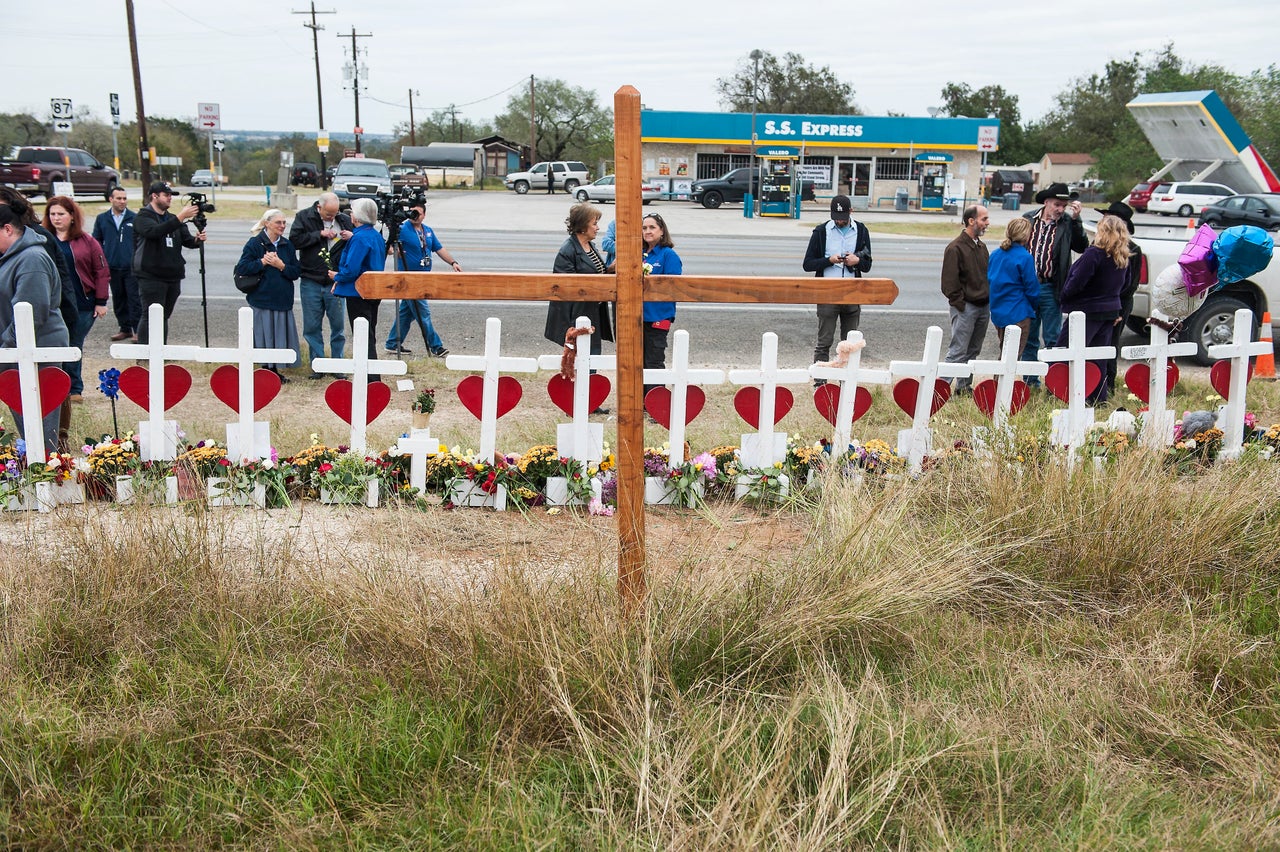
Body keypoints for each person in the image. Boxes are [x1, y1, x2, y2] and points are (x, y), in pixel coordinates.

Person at [0, 204, 70, 453]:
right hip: (15, 352)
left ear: (7, 229)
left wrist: (3, 348)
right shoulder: (12, 257)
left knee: (41, 429)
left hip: (38, 351)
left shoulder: (32, 259)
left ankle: (49, 476)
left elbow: (30, 314)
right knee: (29, 426)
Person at [1056, 214, 1131, 405]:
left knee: (1065, 352)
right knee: (1098, 357)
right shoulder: (1122, 257)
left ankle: (1061, 391)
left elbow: (1077, 282)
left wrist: (1064, 296)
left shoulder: (1093, 254)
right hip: (1109, 310)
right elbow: (1126, 285)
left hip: (1086, 310)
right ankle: (1098, 397)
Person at [546, 202, 614, 413]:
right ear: (583, 226)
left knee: (592, 356)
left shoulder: (589, 246)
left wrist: (612, 269)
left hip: (593, 313)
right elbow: (567, 285)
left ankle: (590, 402)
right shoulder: (568, 250)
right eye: (595, 223)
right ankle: (577, 402)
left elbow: (598, 274)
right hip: (577, 316)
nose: (597, 227)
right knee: (579, 357)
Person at [43, 196, 109, 404]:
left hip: (82, 303)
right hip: (55, 303)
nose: (56, 218)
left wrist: (101, 301)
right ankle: (54, 387)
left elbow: (101, 271)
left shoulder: (87, 241)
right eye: (52, 214)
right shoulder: (44, 240)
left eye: (61, 214)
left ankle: (74, 389)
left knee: (74, 344)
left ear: (72, 216)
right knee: (54, 346)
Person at [802, 195, 872, 385]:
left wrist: (857, 261)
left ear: (851, 212)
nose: (839, 221)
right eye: (836, 217)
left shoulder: (862, 230)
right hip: (827, 291)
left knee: (850, 342)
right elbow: (807, 264)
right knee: (824, 341)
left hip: (852, 291)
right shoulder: (821, 231)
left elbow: (867, 264)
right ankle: (820, 383)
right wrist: (828, 261)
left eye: (842, 217)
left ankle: (846, 382)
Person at [1021, 182, 1088, 378]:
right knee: (1029, 336)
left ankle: (1054, 380)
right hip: (1028, 287)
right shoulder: (1028, 219)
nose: (1060, 209)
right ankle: (1030, 380)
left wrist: (1077, 221)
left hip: (1051, 286)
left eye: (1063, 206)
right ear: (1047, 202)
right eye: (1057, 204)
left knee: (1053, 337)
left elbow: (1081, 246)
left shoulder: (1067, 223)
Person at [132, 180, 206, 345]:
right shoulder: (143, 216)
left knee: (164, 316)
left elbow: (187, 240)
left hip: (173, 275)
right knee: (150, 316)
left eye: (171, 195)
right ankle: (144, 355)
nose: (169, 198)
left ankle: (160, 351)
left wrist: (197, 239)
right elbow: (154, 232)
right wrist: (181, 217)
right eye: (166, 195)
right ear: (154, 196)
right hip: (151, 275)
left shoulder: (172, 219)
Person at [384, 199, 459, 358]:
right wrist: (393, 250)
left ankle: (392, 343)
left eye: (418, 212)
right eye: (412, 212)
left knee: (406, 313)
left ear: (424, 215)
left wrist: (453, 262)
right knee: (422, 312)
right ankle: (436, 346)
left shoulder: (428, 231)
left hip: (423, 278)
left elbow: (439, 249)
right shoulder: (403, 229)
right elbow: (389, 244)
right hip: (409, 280)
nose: (415, 215)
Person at [289, 192, 351, 379]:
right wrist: (319, 234)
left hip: (335, 283)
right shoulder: (304, 217)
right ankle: (318, 365)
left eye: (334, 213)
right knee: (312, 326)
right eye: (328, 214)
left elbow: (355, 243)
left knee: (338, 327)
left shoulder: (344, 219)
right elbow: (294, 240)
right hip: (311, 280)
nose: (332, 217)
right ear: (319, 207)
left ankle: (337, 365)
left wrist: (350, 236)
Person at [234, 209, 301, 382]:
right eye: (278, 222)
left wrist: (281, 266)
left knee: (278, 336)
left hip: (282, 299)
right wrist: (262, 262)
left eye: (284, 222)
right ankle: (266, 370)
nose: (282, 226)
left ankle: (275, 370)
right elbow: (242, 268)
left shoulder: (287, 245)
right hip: (261, 299)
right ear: (267, 223)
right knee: (265, 336)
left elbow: (295, 272)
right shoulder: (255, 244)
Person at [940, 204, 991, 393]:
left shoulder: (981, 247)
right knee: (957, 351)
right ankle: (939, 390)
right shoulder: (955, 248)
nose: (987, 223)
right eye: (984, 219)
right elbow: (949, 284)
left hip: (983, 307)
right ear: (971, 221)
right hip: (965, 308)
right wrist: (961, 304)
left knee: (972, 351)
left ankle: (963, 387)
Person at [1095, 201, 1144, 395]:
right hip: (1100, 302)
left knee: (1111, 343)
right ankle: (1094, 382)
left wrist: (1112, 302)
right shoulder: (1100, 244)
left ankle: (1109, 385)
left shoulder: (1133, 249)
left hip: (1119, 303)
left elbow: (1130, 284)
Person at [329, 197, 385, 362]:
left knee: (362, 336)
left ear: (357, 217)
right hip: (374, 290)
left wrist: (337, 276)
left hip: (358, 292)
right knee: (369, 334)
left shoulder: (359, 238)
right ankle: (372, 378)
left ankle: (369, 379)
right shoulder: (376, 235)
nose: (351, 215)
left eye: (352, 212)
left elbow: (352, 269)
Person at [92, 186, 140, 343]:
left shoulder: (134, 218)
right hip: (112, 266)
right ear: (111, 199)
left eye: (124, 198)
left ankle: (137, 330)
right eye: (119, 198)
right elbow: (96, 241)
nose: (122, 201)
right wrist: (102, 259)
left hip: (131, 266)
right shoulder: (102, 218)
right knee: (119, 299)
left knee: (134, 299)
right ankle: (124, 328)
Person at [641, 212, 681, 397]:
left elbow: (673, 287)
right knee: (638, 362)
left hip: (658, 317)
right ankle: (640, 402)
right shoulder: (640, 254)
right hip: (638, 317)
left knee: (654, 361)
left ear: (662, 231)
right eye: (644, 228)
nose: (647, 231)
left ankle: (656, 404)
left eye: (652, 227)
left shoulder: (668, 255)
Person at [987, 216, 1039, 354]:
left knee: (1004, 351)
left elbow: (990, 280)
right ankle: (1003, 377)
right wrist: (1034, 306)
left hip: (998, 311)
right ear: (1026, 235)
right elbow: (1032, 288)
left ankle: (998, 376)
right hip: (1018, 311)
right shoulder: (1024, 257)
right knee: (1013, 356)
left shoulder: (996, 254)